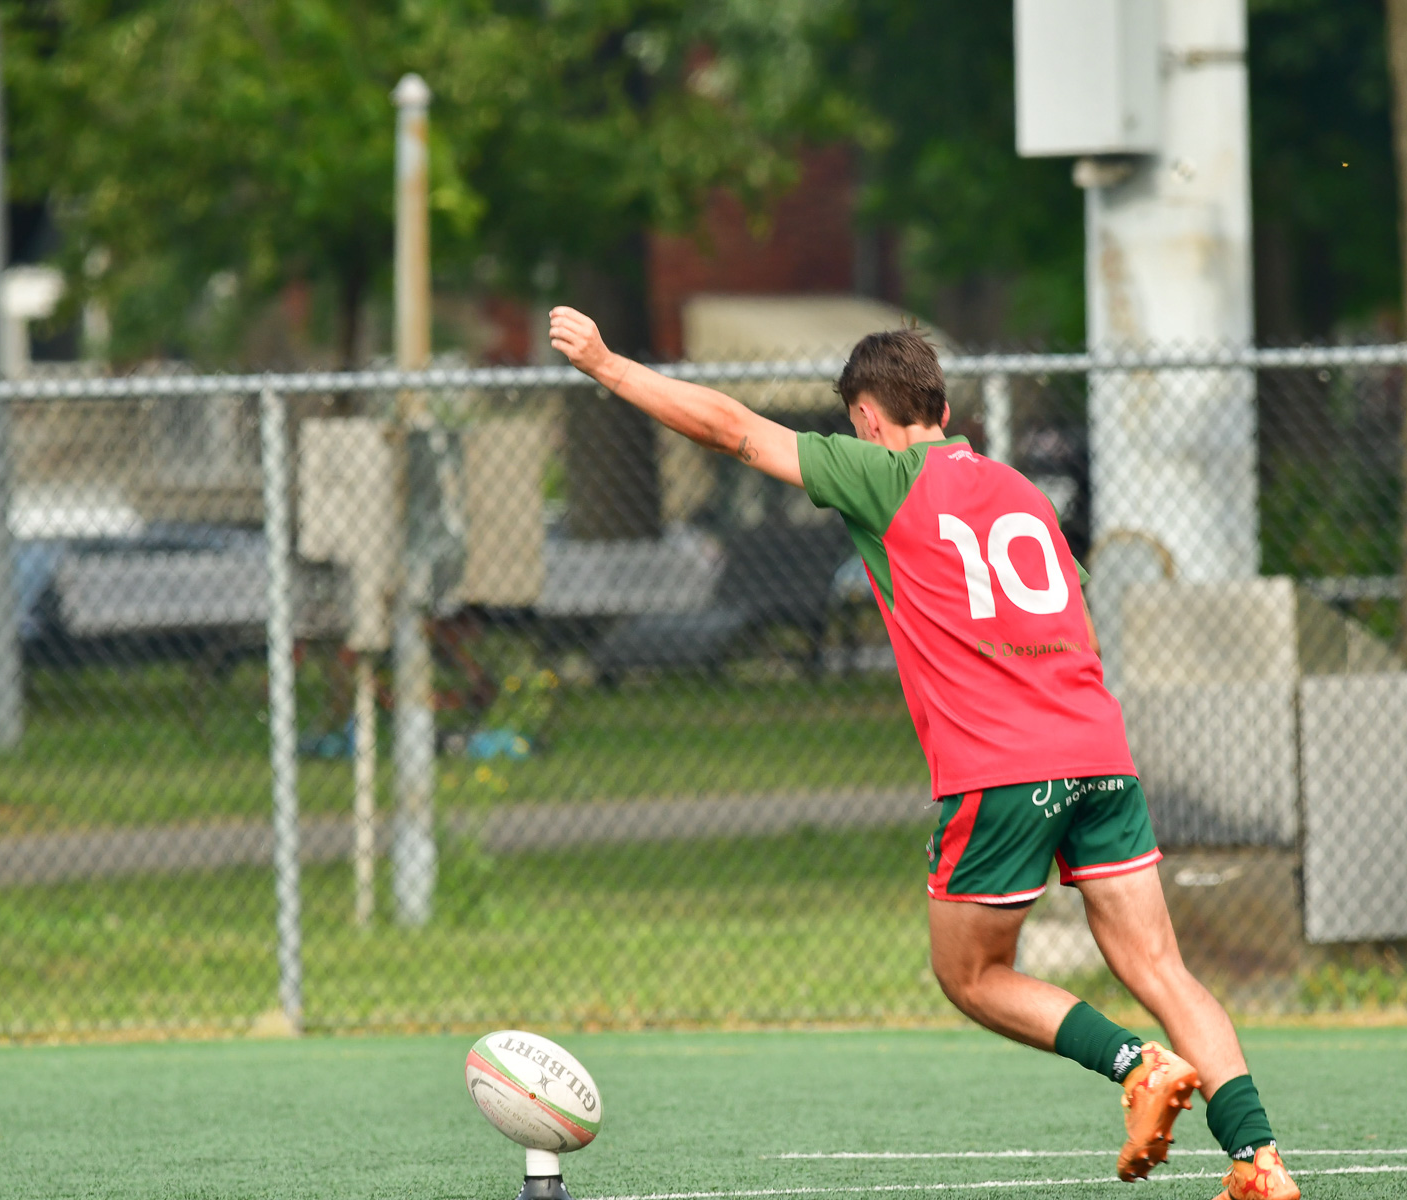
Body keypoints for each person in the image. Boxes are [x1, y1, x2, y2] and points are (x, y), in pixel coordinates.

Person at [548, 307, 1300, 1200]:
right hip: (1100, 750)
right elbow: (1072, 617)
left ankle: (1139, 1065)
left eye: (855, 422)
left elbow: (735, 432)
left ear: (869, 418)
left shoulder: (885, 475)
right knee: (1162, 967)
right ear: (941, 406)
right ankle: (1261, 1163)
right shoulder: (1023, 492)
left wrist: (607, 364)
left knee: (972, 974)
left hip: (1003, 769)